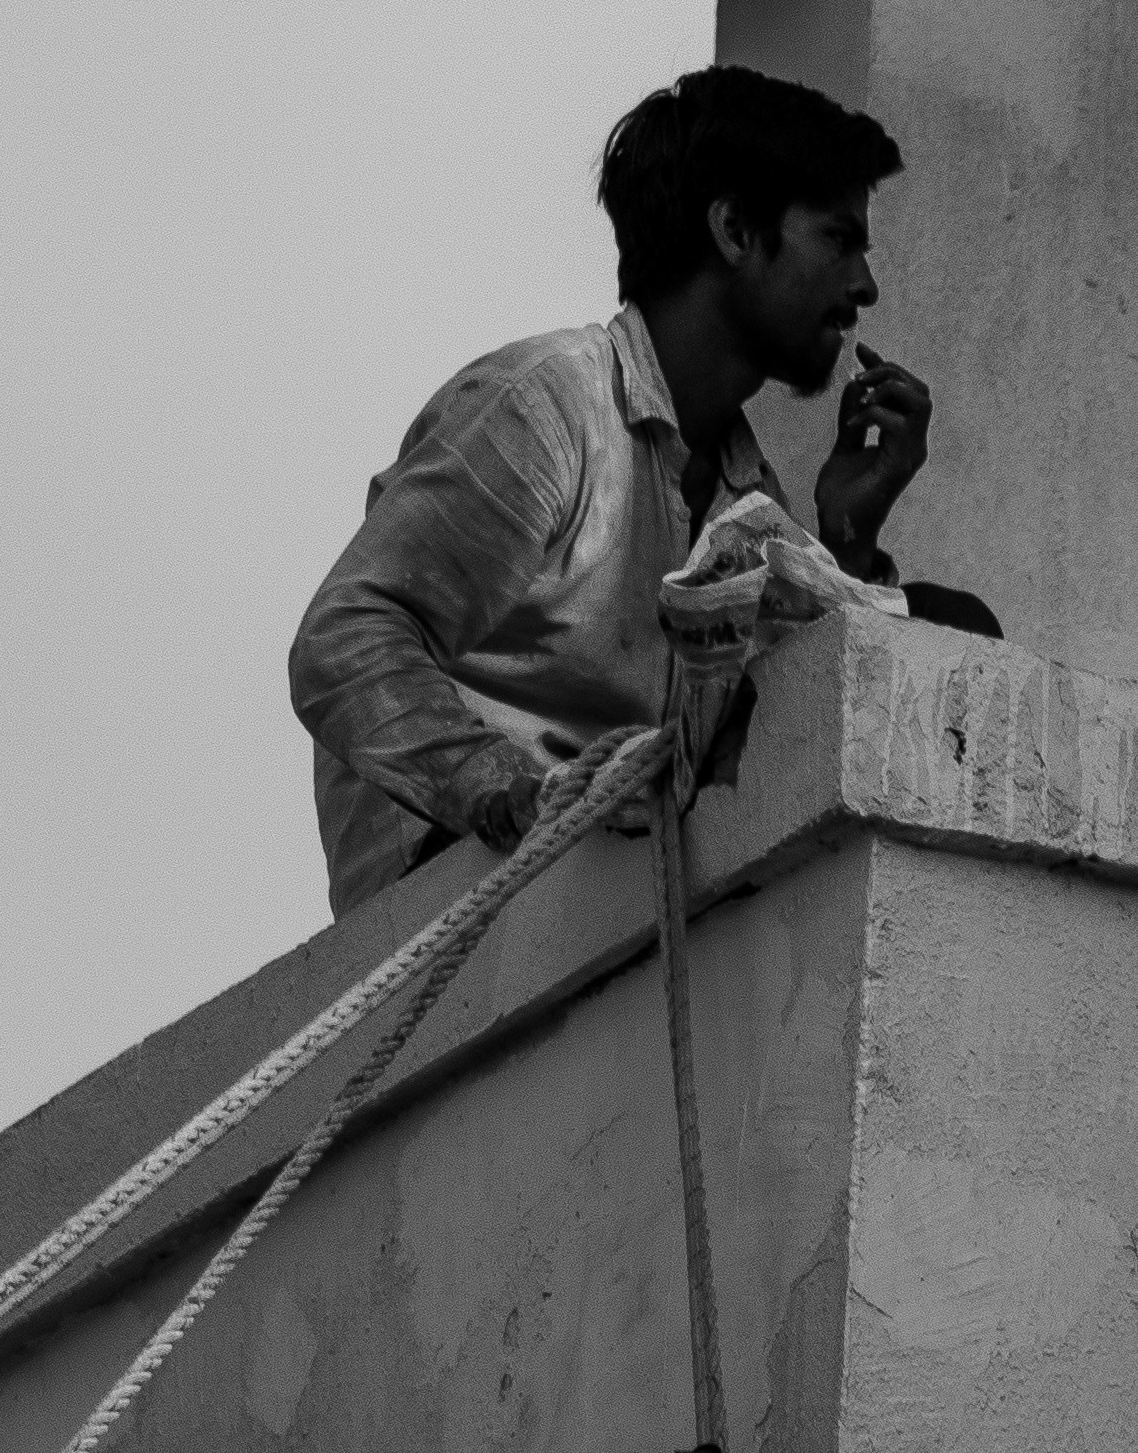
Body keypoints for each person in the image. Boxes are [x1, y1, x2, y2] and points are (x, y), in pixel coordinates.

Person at [289, 64, 979, 917]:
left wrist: (845, 545)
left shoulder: (744, 490)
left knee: (954, 623)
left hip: (614, 900)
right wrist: (512, 794)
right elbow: (344, 640)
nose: (866, 283)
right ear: (733, 228)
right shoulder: (548, 406)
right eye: (840, 239)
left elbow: (771, 733)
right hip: (461, 899)